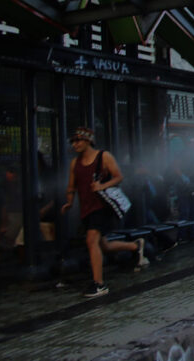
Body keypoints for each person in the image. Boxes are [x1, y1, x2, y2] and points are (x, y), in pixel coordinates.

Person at [61, 127, 148, 298]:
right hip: (86, 207)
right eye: (73, 141)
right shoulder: (75, 163)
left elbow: (118, 177)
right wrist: (69, 202)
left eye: (78, 140)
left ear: (88, 140)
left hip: (102, 207)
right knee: (103, 245)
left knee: (91, 240)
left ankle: (99, 284)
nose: (75, 144)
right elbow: (71, 186)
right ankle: (135, 246)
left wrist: (102, 186)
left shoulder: (103, 156)